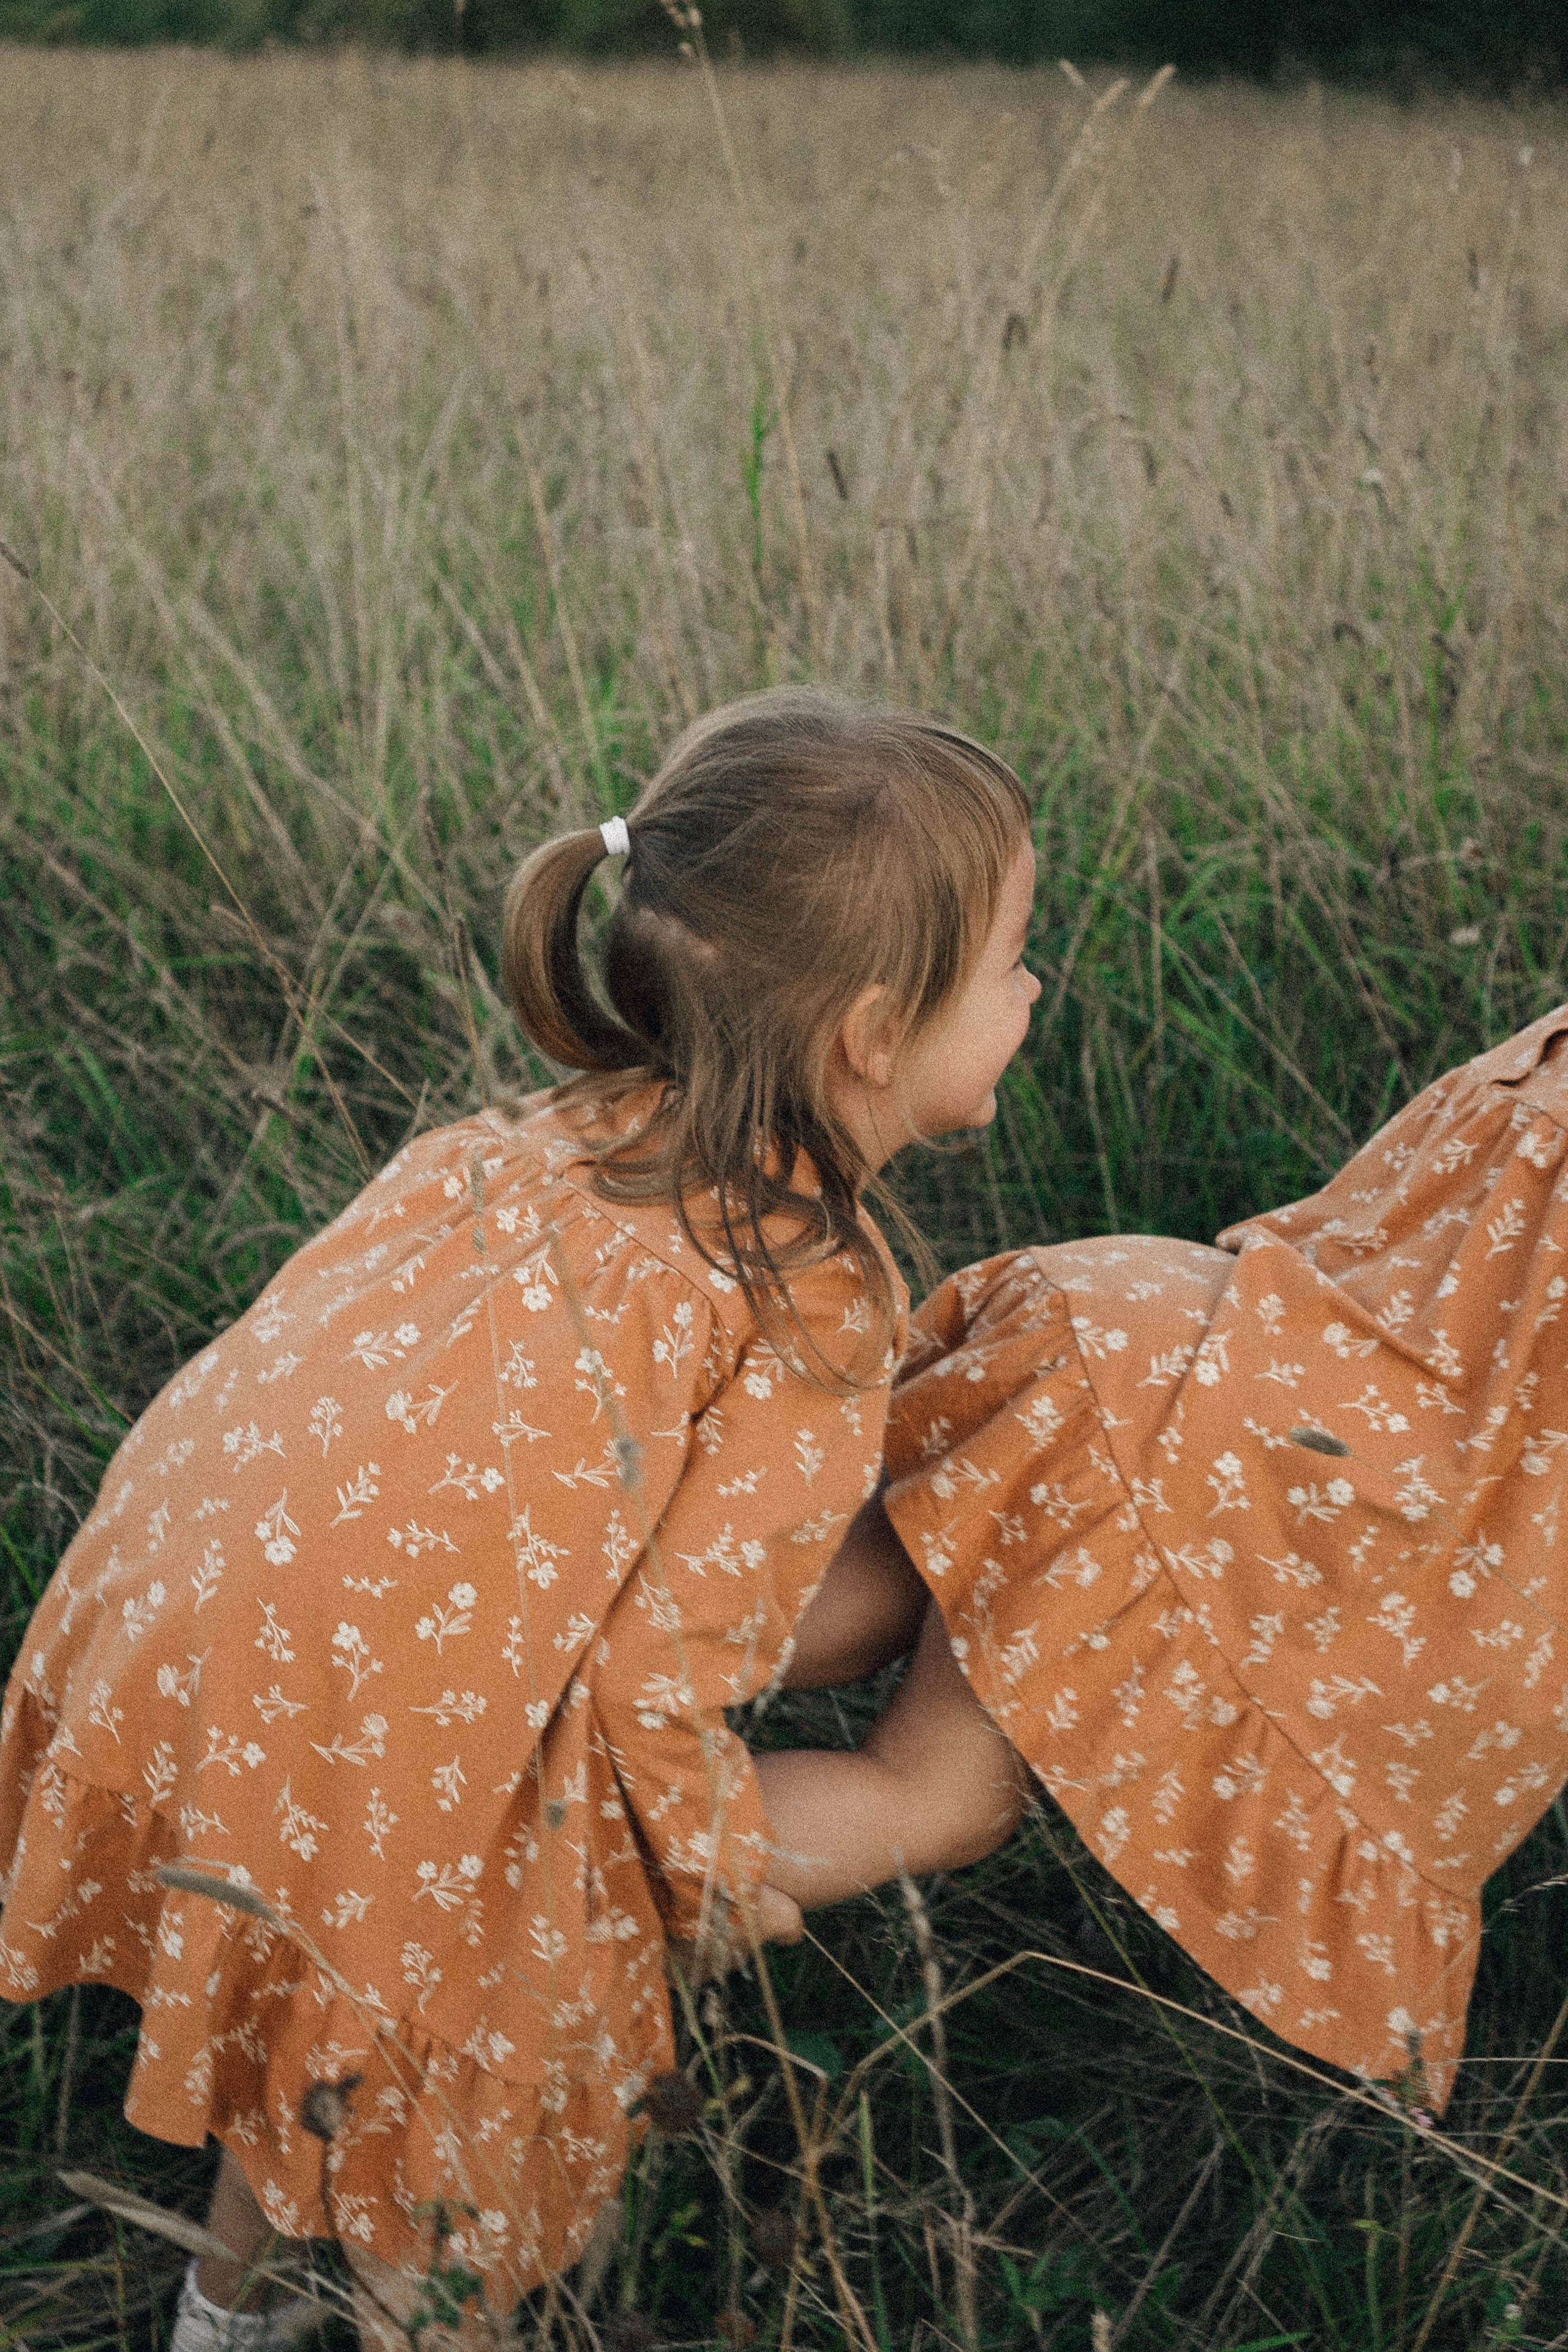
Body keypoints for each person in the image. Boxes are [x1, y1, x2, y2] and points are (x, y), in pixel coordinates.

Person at [0, 687, 1039, 2348]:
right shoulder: (803, 1292)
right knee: (467, 2164)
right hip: (393, 1731)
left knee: (314, 2004)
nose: (1035, 992)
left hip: (183, 1629)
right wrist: (686, 1902)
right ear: (866, 1036)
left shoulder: (536, 1141)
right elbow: (652, 1685)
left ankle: (222, 2315)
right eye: (1010, 963)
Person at [757, 1006, 1568, 2130]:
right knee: (934, 1798)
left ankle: (499, 1697)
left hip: (1166, 1334)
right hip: (1243, 1468)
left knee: (822, 1615)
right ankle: (534, 1874)